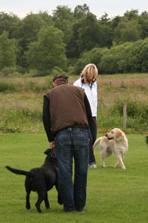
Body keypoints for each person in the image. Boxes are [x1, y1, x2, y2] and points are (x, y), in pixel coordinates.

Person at [43, 74, 96, 212]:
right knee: (82, 171)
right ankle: (80, 206)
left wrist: (51, 139)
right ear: (68, 82)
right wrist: (91, 138)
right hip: (82, 133)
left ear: (54, 84)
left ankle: (69, 206)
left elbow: (46, 118)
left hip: (62, 135)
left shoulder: (49, 94)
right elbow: (89, 115)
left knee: (65, 172)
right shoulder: (80, 91)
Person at [73, 63, 98, 168]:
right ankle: (91, 162)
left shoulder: (95, 84)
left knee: (93, 138)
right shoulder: (77, 84)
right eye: (90, 77)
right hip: (82, 115)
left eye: (93, 77)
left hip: (93, 115)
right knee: (88, 138)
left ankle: (86, 159)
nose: (91, 79)